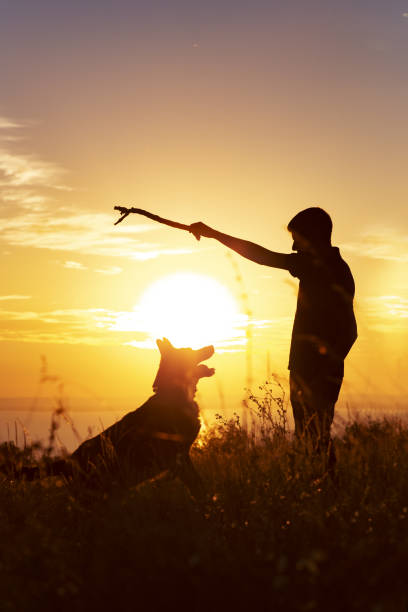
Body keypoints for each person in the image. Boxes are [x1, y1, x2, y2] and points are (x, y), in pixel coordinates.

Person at [190, 207, 357, 463]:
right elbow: (351, 331)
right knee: (314, 437)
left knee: (314, 438)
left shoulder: (318, 266)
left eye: (297, 238)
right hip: (314, 369)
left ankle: (326, 491)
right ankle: (322, 490)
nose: (293, 245)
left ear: (314, 236)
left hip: (314, 371)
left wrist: (214, 234)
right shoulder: (336, 268)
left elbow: (261, 256)